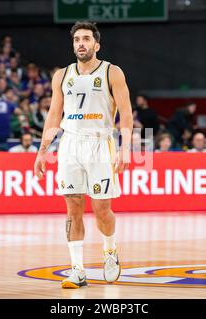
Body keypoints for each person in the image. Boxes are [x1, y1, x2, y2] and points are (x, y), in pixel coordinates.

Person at [33, 21, 132, 289]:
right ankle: (77, 270)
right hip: (70, 145)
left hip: (100, 144)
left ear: (96, 45)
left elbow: (126, 111)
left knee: (102, 210)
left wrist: (125, 147)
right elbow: (54, 115)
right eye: (77, 39)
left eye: (86, 38)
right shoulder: (62, 75)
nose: (81, 43)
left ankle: (110, 250)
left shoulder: (112, 72)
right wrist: (42, 151)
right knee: (73, 208)